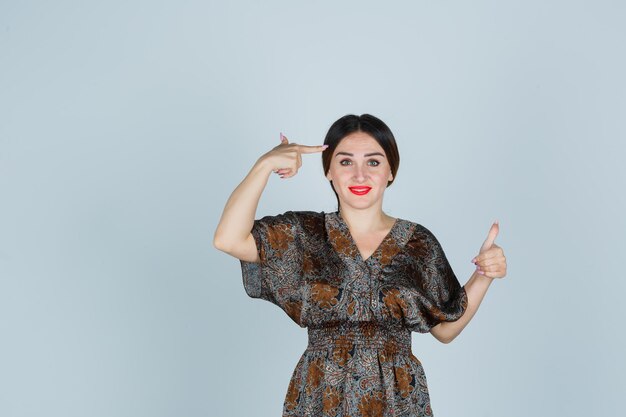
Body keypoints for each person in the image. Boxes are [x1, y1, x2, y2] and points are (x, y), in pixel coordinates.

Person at [213, 114, 507, 417]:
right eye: (345, 162)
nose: (360, 175)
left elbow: (445, 330)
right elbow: (228, 238)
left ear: (391, 170)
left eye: (374, 162)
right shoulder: (304, 234)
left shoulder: (417, 243)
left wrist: (485, 275)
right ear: (328, 170)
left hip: (397, 396)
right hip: (320, 393)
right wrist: (264, 165)